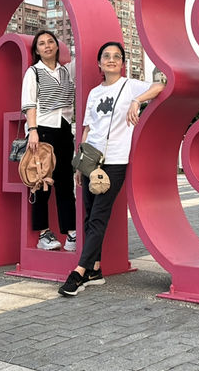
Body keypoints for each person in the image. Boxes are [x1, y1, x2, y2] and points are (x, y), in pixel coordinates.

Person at [58, 41, 164, 297]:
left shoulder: (130, 86)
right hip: (90, 159)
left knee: (99, 215)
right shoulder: (94, 92)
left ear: (123, 63)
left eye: (117, 56)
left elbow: (161, 85)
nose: (112, 59)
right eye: (106, 56)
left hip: (115, 160)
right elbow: (86, 129)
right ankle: (94, 269)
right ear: (99, 63)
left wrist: (137, 101)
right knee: (88, 214)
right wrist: (78, 164)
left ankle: (79, 272)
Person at [21, 30, 76, 251]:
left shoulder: (65, 71)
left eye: (50, 42)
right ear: (36, 50)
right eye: (41, 43)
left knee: (65, 183)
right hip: (42, 130)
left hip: (64, 128)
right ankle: (43, 234)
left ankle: (71, 233)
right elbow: (29, 103)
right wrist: (32, 130)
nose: (47, 46)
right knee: (40, 182)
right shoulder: (33, 72)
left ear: (57, 46)